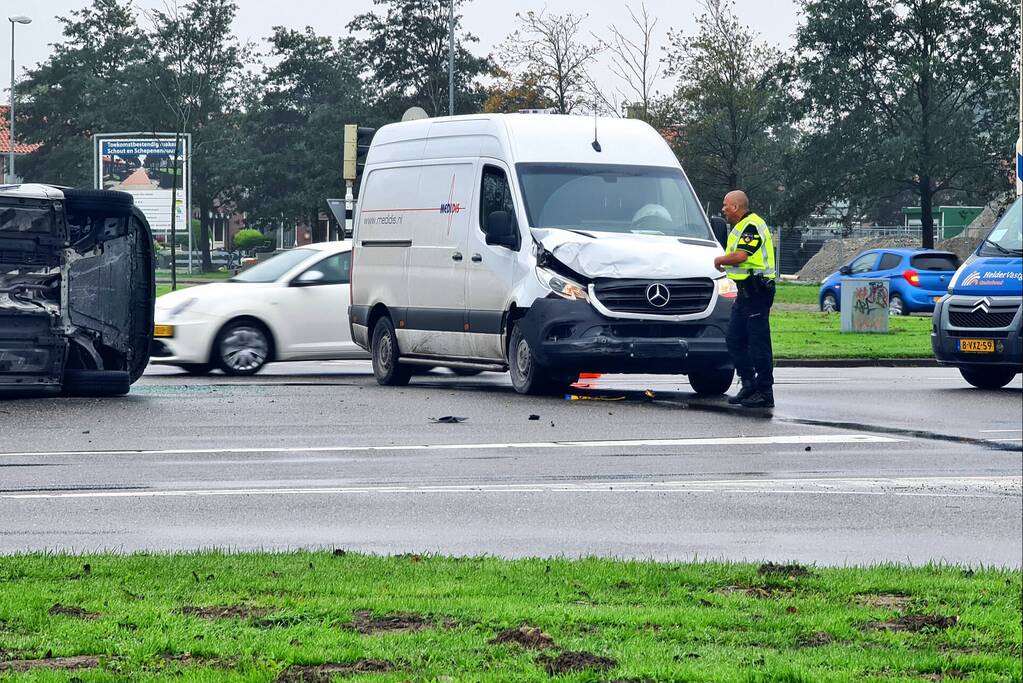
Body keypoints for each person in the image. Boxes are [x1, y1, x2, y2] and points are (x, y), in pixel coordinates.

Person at [713, 190, 777, 408]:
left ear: (735, 207)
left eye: (725, 205)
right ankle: (749, 385)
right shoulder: (740, 227)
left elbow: (742, 256)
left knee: (758, 343)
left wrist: (720, 259)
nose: (723, 209)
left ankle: (765, 391)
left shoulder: (751, 226)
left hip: (757, 291)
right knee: (734, 339)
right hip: (744, 292)